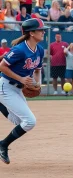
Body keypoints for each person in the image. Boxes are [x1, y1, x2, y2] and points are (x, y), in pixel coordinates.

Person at [0, 18, 49, 165]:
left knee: (20, 121)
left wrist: (37, 84)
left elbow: (37, 71)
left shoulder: (39, 50)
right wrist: (21, 79)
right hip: (5, 86)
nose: (43, 32)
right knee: (30, 121)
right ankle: (3, 144)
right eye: (40, 30)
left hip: (17, 89)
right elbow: (2, 66)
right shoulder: (20, 49)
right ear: (31, 33)